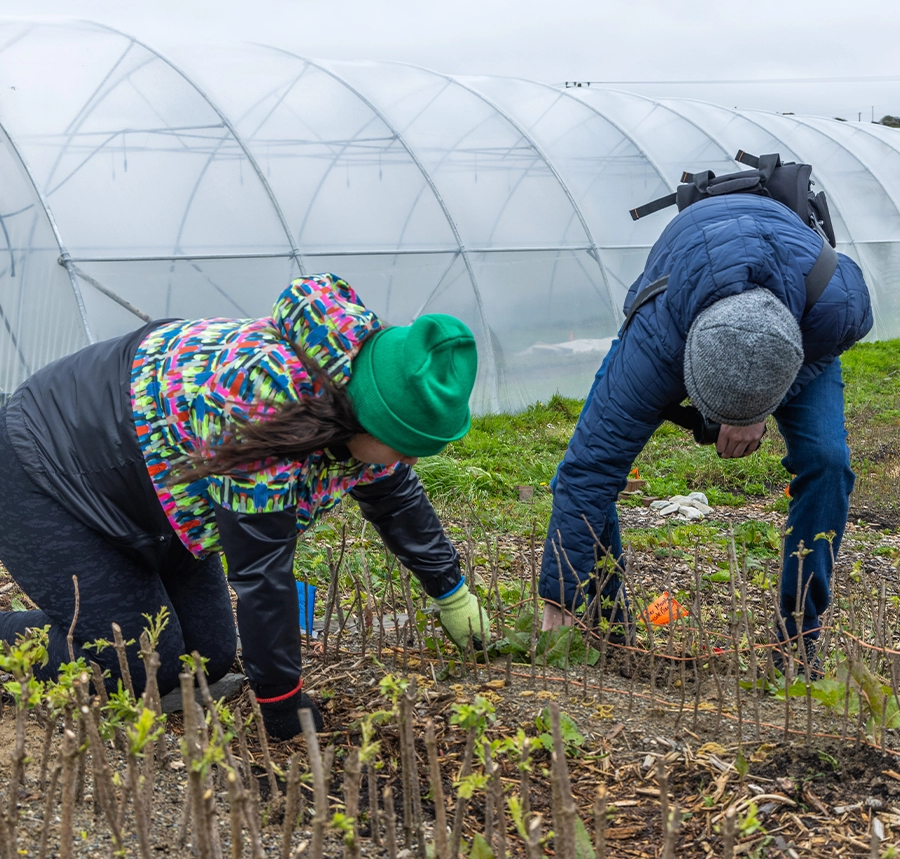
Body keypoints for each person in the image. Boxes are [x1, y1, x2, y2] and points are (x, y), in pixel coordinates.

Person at [0, 273, 489, 738]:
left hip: (156, 499)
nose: (407, 459)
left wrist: (451, 592)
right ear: (366, 415)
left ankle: (116, 595)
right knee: (139, 666)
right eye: (403, 444)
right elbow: (262, 571)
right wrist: (281, 703)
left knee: (208, 657)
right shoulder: (258, 404)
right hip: (46, 470)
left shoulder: (360, 387)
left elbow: (394, 495)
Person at [539, 194, 873, 677]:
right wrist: (561, 597)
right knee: (597, 464)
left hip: (797, 309)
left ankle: (800, 639)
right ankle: (605, 626)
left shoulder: (835, 307)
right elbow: (587, 471)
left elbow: (832, 342)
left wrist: (763, 406)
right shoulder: (654, 346)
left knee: (828, 462)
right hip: (687, 288)